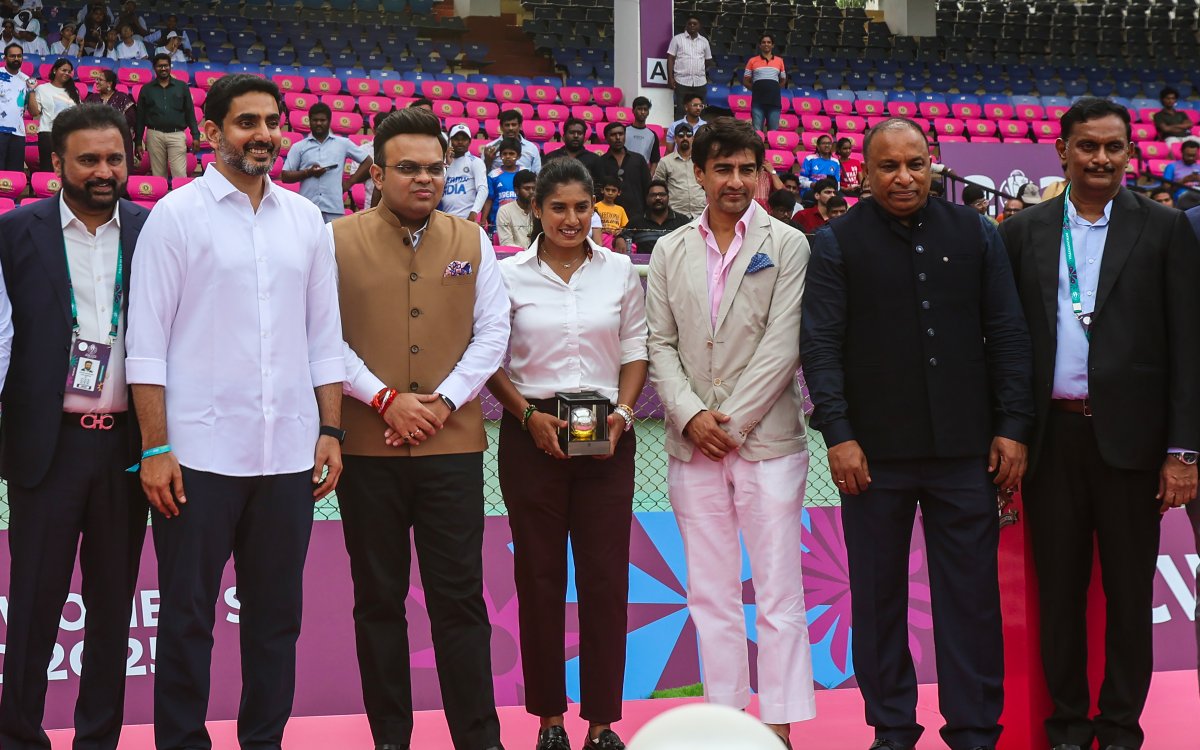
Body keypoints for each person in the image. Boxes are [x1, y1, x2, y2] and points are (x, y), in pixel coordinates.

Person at [126, 73, 345, 750]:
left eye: (271, 122)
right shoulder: (175, 216)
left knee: (277, 620)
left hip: (287, 456)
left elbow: (323, 337)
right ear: (211, 133)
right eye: (246, 122)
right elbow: (147, 344)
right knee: (188, 619)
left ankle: (263, 742)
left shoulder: (307, 220)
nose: (263, 134)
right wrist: (157, 448)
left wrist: (331, 429)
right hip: (197, 458)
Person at [801, 117, 1034, 750]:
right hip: (873, 457)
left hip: (967, 452)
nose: (903, 177)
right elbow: (819, 347)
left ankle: (976, 729)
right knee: (876, 601)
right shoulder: (837, 243)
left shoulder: (978, 234)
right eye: (888, 166)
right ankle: (893, 729)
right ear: (865, 173)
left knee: (972, 601)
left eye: (915, 164)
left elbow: (1009, 334)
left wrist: (1013, 427)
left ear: (932, 164)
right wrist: (839, 433)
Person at [998, 97, 1200, 750]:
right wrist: (1009, 431)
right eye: (1088, 146)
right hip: (1051, 443)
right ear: (1062, 150)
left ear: (1129, 153)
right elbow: (1003, 341)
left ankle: (1118, 730)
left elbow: (1187, 346)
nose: (1101, 158)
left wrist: (1183, 453)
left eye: (1114, 147)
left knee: (1125, 598)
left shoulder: (1165, 229)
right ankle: (1065, 727)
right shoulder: (1023, 231)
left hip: (1134, 448)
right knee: (1058, 595)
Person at [330, 105, 509, 750]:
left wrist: (442, 402)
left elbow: (493, 333)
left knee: (459, 599)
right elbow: (323, 335)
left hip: (451, 447)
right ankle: (390, 739)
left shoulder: (472, 240)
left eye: (435, 168)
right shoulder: (335, 239)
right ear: (376, 173)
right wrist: (384, 399)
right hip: (368, 451)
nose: (425, 179)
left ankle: (478, 738)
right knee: (378, 600)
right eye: (408, 168)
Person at [645, 116, 816, 749]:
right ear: (699, 174)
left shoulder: (790, 243)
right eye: (723, 168)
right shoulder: (669, 249)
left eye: (748, 168)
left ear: (761, 173)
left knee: (777, 594)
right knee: (710, 595)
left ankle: (778, 727)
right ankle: (723, 727)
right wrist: (692, 416)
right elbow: (658, 344)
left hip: (768, 442)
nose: (736, 180)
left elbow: (784, 343)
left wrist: (733, 422)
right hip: (693, 446)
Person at [487, 157, 648, 750]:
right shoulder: (507, 276)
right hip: (533, 436)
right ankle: (549, 720)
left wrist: (624, 417)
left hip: (609, 434)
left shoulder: (620, 272)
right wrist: (528, 417)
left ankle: (603, 723)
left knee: (606, 580)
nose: (572, 219)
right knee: (539, 577)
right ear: (536, 209)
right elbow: (490, 360)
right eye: (559, 208)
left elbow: (636, 350)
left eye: (582, 208)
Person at [0, 103, 144, 750]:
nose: (104, 171)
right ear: (54, 162)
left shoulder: (154, 231)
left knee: (112, 610)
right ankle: (19, 737)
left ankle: (98, 741)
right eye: (88, 159)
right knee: (33, 606)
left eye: (114, 157)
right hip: (46, 448)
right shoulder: (14, 232)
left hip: (128, 449)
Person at [280, 101, 373, 223]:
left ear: (329, 121)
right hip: (307, 209)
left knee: (333, 242)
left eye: (322, 120)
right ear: (309, 120)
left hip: (334, 209)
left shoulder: (343, 144)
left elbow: (368, 161)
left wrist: (349, 183)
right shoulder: (299, 147)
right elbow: (285, 176)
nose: (318, 123)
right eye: (315, 120)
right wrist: (308, 172)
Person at [134, 53, 198, 181]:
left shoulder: (182, 87)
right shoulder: (146, 89)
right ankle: (161, 201)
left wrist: (195, 136)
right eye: (159, 66)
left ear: (170, 66)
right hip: (154, 135)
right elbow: (140, 117)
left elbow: (190, 112)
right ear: (154, 68)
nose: (163, 69)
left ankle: (181, 201)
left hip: (177, 135)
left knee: (180, 174)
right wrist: (138, 141)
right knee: (158, 176)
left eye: (166, 66)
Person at [28, 58, 80, 172]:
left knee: (68, 171)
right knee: (48, 169)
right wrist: (31, 92)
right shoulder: (42, 89)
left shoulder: (74, 91)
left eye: (69, 71)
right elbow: (34, 112)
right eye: (64, 70)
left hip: (69, 136)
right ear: (55, 70)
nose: (67, 73)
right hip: (48, 134)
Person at [84, 68, 136, 170]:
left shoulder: (122, 98)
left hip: (118, 142)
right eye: (96, 79)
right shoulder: (91, 98)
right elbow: (83, 118)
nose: (96, 82)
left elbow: (131, 119)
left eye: (100, 80)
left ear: (109, 83)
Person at [598, 122, 651, 221]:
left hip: (637, 214)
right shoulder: (600, 162)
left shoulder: (638, 159)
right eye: (613, 135)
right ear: (606, 138)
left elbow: (647, 187)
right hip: (609, 218)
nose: (618, 137)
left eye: (621, 134)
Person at [655, 123, 706, 218]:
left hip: (701, 213)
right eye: (681, 135)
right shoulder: (665, 162)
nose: (685, 138)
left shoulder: (701, 160)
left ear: (693, 138)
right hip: (676, 214)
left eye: (689, 135)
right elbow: (657, 188)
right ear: (675, 138)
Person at [440, 122, 488, 222]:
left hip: (467, 218)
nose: (460, 142)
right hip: (445, 218)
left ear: (469, 142)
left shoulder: (475, 162)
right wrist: (447, 165)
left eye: (464, 139)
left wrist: (474, 212)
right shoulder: (444, 163)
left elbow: (483, 189)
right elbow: (438, 187)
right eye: (456, 139)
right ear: (450, 141)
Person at [666, 15, 712, 120]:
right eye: (689, 24)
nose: (692, 26)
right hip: (682, 81)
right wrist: (670, 77)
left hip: (700, 82)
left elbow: (708, 60)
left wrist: (699, 70)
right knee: (681, 110)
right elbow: (670, 58)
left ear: (699, 26)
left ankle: (699, 134)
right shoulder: (677, 39)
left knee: (700, 110)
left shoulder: (704, 41)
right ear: (686, 25)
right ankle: (679, 134)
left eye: (695, 24)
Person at [626, 179, 691, 253]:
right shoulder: (636, 222)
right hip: (645, 264)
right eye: (653, 195)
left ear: (668, 197)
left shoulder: (682, 222)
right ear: (647, 199)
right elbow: (622, 237)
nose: (658, 198)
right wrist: (620, 239)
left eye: (662, 194)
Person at [743, 33, 786, 133]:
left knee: (773, 133)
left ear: (773, 45)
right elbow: (746, 81)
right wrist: (757, 89)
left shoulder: (780, 61)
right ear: (760, 45)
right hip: (758, 102)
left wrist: (774, 89)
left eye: (769, 42)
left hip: (774, 102)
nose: (766, 44)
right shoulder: (752, 61)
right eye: (763, 42)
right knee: (757, 132)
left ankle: (773, 149)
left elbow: (783, 79)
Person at [0, 44, 33, 171]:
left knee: (14, 172)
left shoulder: (26, 80)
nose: (16, 58)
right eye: (12, 56)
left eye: (19, 56)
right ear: (5, 58)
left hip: (18, 132)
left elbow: (28, 107)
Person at [485, 108, 542, 173]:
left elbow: (537, 173)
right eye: (507, 125)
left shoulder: (532, 148)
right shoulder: (490, 148)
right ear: (501, 127)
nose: (511, 128)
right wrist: (487, 161)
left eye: (514, 125)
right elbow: (482, 174)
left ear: (520, 126)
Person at [483, 137, 521, 233]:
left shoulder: (524, 173)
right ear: (500, 156)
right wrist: (483, 220)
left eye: (511, 153)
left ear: (519, 156)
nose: (508, 156)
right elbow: (489, 199)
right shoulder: (493, 175)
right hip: (498, 222)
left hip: (520, 222)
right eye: (504, 154)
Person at [496, 168, 536, 247]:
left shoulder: (540, 210)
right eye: (527, 188)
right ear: (516, 190)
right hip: (515, 257)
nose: (531, 192)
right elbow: (506, 243)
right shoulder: (504, 211)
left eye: (534, 189)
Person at [625, 96, 661, 174]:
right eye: (639, 109)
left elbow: (655, 160)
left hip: (642, 173)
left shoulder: (652, 135)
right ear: (633, 111)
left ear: (648, 112)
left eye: (645, 109)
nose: (643, 112)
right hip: (624, 171)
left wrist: (649, 177)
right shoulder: (624, 131)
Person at [1162, 137, 1200, 201]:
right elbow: (1166, 190)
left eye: (1193, 155)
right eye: (1188, 155)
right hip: (1180, 201)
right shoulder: (1172, 167)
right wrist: (1183, 180)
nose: (1191, 158)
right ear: (1181, 152)